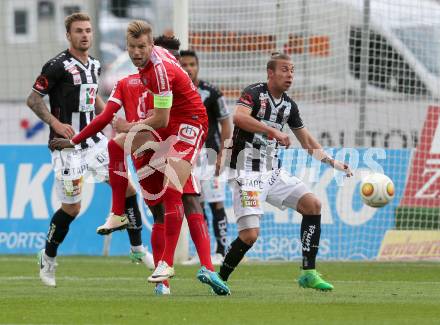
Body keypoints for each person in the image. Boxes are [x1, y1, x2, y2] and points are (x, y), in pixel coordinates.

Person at [51, 23, 229, 296]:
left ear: (151, 47)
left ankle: (170, 265)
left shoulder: (157, 71)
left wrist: (129, 127)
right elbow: (110, 118)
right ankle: (119, 213)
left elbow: (162, 117)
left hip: (187, 125)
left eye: (141, 47)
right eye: (132, 47)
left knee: (175, 191)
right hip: (156, 134)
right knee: (116, 147)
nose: (136, 52)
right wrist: (76, 140)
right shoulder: (133, 77)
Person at [26, 13, 152, 287]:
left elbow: (92, 97)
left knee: (128, 187)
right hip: (66, 148)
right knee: (72, 208)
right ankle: (47, 258)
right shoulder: (56, 66)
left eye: (88, 30)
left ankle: (137, 248)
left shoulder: (94, 64)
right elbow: (33, 99)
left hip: (94, 142)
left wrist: (110, 116)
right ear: (68, 35)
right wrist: (56, 123)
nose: (85, 35)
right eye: (79, 31)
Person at [217, 52, 353, 291]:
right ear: (270, 73)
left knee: (313, 205)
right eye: (284, 70)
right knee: (250, 235)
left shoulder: (289, 106)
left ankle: (308, 272)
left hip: (273, 172)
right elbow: (238, 117)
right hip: (245, 172)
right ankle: (221, 277)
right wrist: (272, 132)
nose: (289, 75)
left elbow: (307, 141)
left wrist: (333, 163)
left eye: (292, 70)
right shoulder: (255, 93)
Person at [179, 50, 232, 265]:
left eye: (192, 64)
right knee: (195, 204)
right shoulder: (175, 92)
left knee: (216, 203)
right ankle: (204, 252)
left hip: (210, 155)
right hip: (188, 156)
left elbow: (226, 123)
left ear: (198, 66)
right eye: (184, 65)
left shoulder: (212, 93)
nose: (189, 68)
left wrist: (223, 153)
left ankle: (222, 250)